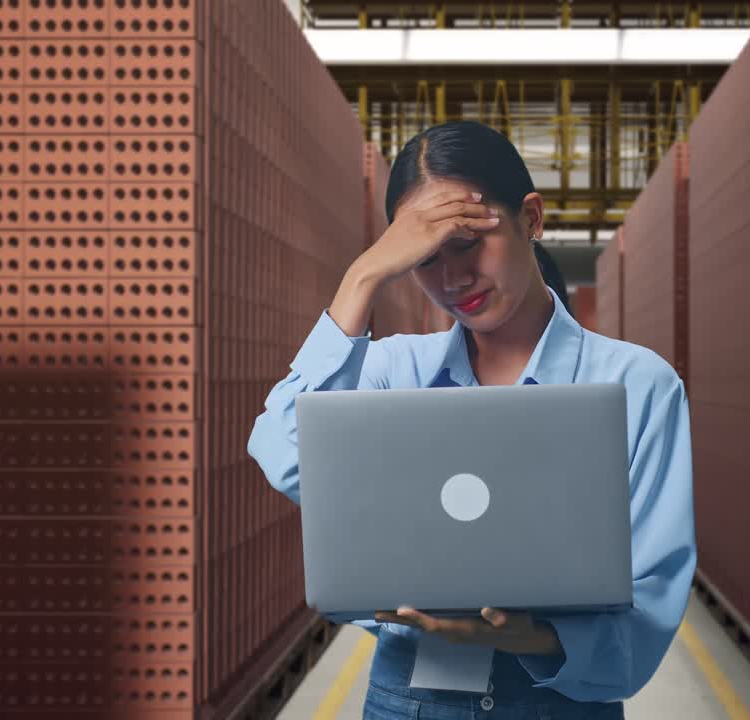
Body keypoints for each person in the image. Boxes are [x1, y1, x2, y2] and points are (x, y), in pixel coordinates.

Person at [247, 121, 695, 719]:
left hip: (559, 704)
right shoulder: (393, 373)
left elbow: (650, 606)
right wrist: (362, 277)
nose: (452, 280)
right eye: (422, 260)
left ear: (530, 219)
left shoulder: (638, 386)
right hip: (408, 703)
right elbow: (283, 448)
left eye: (466, 244)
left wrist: (530, 638)